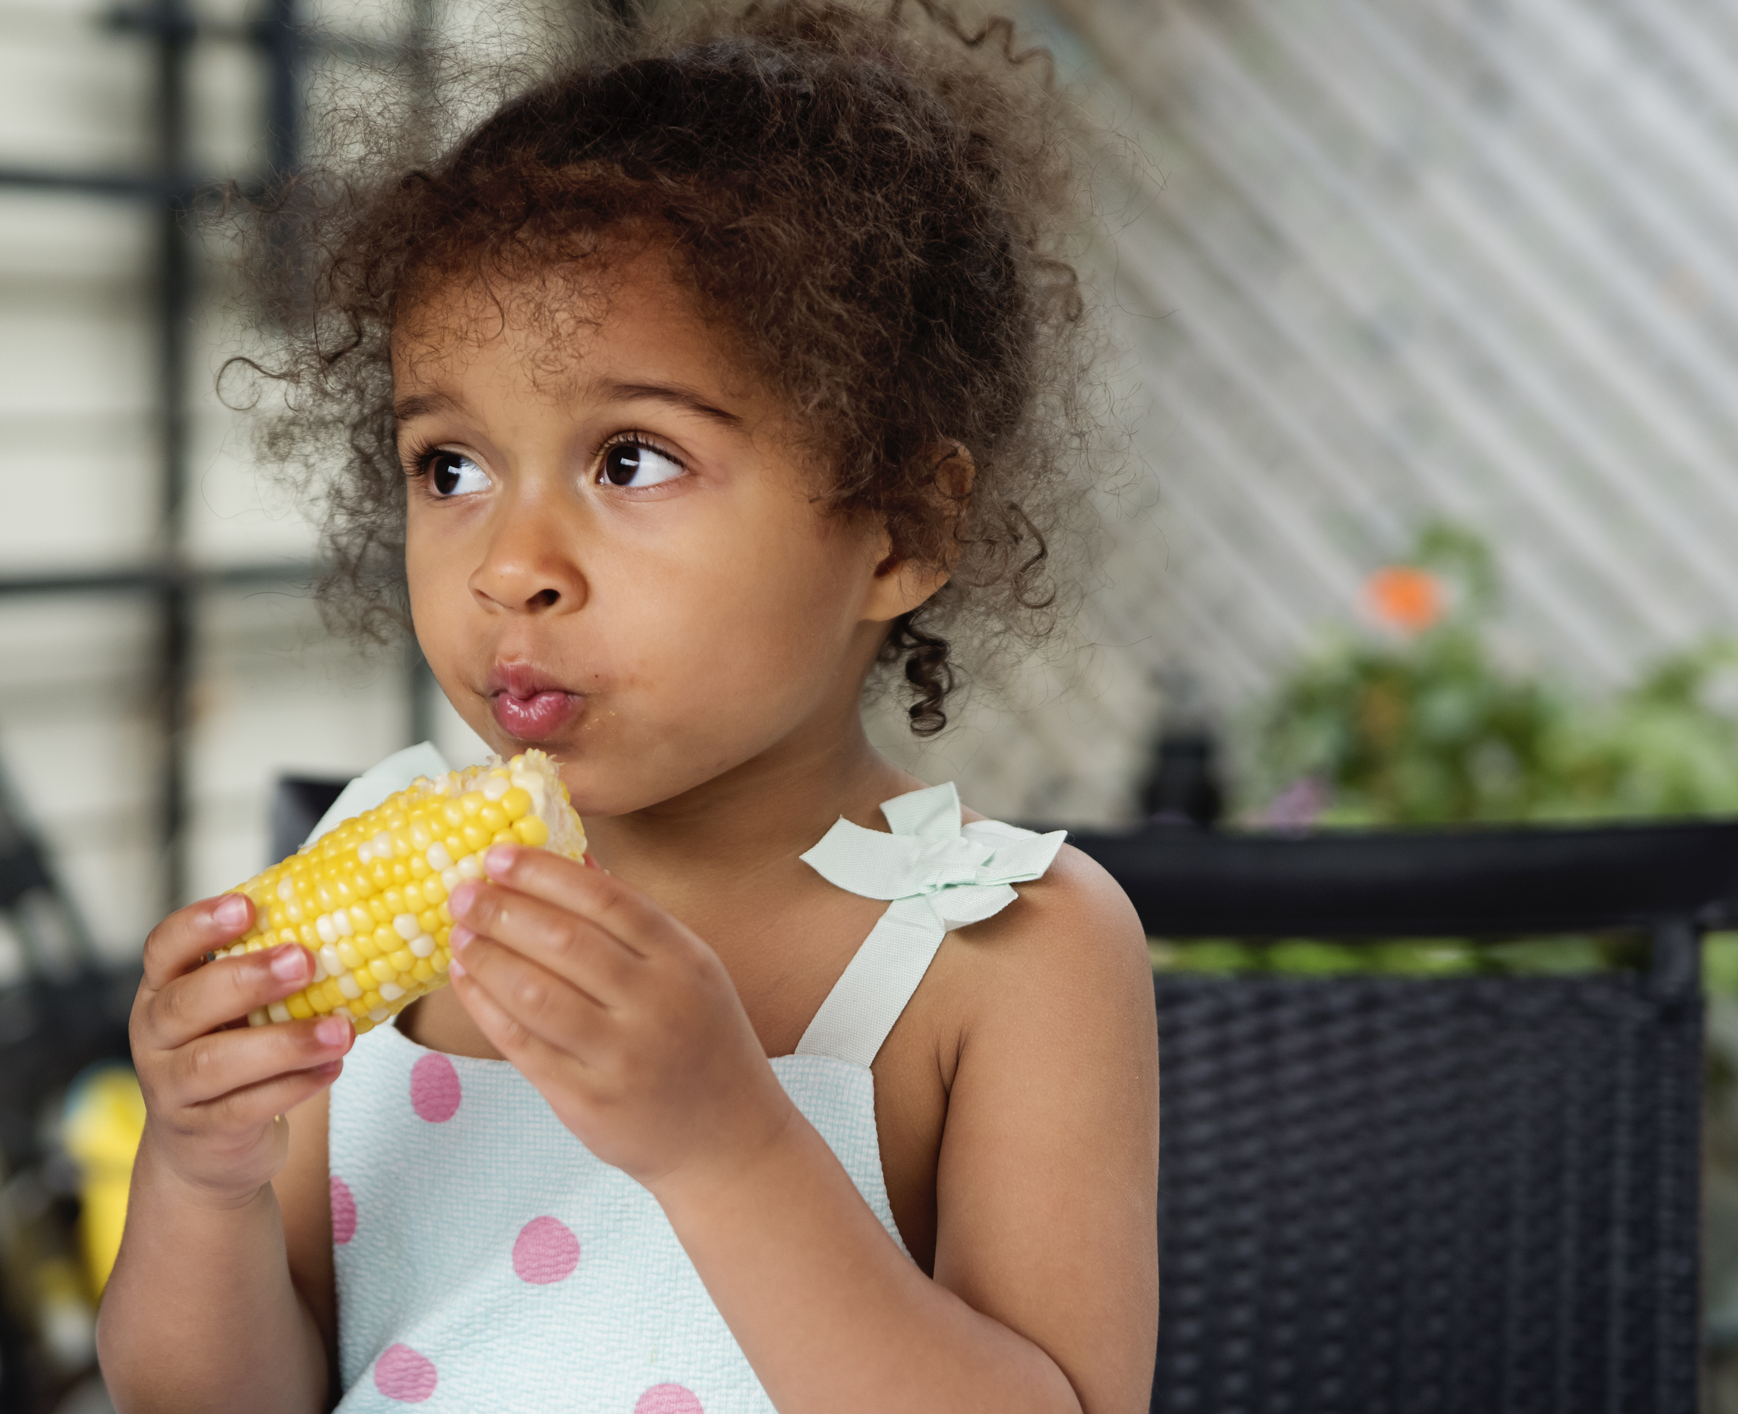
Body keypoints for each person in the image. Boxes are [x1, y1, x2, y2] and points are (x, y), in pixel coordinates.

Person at [97, 3, 1158, 1409]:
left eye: (632, 458)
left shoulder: (1007, 951)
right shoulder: (371, 850)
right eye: (451, 468)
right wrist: (200, 1173)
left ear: (898, 527)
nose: (511, 568)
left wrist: (730, 1146)